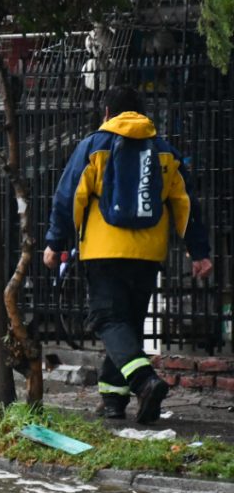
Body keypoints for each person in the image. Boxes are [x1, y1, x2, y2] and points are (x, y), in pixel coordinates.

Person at [44, 85, 212, 424]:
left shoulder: (95, 145)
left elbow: (69, 196)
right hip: (148, 255)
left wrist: (56, 242)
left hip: (104, 253)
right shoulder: (165, 152)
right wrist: (199, 252)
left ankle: (143, 382)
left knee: (106, 319)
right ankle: (113, 401)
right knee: (128, 326)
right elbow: (186, 205)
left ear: (106, 113)